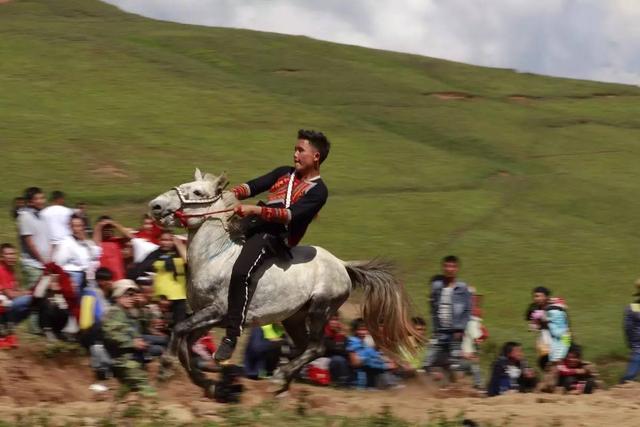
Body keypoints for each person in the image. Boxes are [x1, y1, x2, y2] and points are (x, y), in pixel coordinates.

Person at [215, 129, 331, 362]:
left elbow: (289, 215)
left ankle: (230, 336)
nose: (295, 154)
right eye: (294, 149)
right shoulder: (282, 173)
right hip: (254, 223)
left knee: (240, 271)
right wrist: (225, 192)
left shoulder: (319, 191)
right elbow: (252, 187)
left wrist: (254, 209)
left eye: (301, 150)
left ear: (316, 157)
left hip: (276, 236)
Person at [102, 280, 156, 397]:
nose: (132, 298)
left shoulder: (129, 313)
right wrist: (132, 343)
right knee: (144, 386)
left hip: (133, 357)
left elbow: (145, 325)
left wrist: (141, 305)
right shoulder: (113, 312)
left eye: (133, 295)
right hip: (122, 359)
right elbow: (111, 335)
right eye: (128, 295)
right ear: (118, 296)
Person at [423, 255, 472, 378]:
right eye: (447, 266)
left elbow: (467, 310)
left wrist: (461, 328)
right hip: (439, 330)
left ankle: (457, 385)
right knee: (429, 360)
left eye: (452, 266)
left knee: (453, 363)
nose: (449, 269)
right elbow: (433, 307)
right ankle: (430, 385)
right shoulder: (436, 286)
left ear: (457, 269)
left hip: (455, 332)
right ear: (443, 267)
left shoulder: (462, 288)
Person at [135, 231, 188, 325]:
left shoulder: (180, 252)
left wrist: (179, 244)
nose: (165, 243)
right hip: (160, 298)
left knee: (180, 325)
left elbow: (188, 260)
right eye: (163, 240)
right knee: (160, 325)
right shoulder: (155, 254)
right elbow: (140, 268)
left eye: (168, 240)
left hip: (179, 296)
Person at [53, 214, 101, 292]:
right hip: (73, 276)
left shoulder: (87, 242)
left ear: (83, 227)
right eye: (74, 226)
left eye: (79, 226)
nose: (76, 229)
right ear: (70, 227)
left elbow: (96, 255)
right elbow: (58, 262)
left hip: (87, 277)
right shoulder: (66, 242)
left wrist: (85, 241)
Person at [347, 318, 397, 389]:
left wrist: (387, 362)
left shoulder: (366, 343)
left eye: (364, 329)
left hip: (370, 378)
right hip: (359, 381)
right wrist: (384, 365)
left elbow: (376, 356)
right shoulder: (352, 341)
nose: (362, 332)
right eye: (360, 330)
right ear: (354, 331)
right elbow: (356, 362)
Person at [17, 187, 51, 289]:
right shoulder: (25, 217)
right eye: (38, 199)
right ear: (30, 202)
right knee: (37, 295)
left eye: (43, 198)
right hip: (33, 265)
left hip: (44, 263)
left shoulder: (42, 216)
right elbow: (30, 243)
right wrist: (43, 261)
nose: (42, 201)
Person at [0, 243, 32, 331]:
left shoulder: (11, 270)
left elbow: (16, 289)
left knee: (32, 298)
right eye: (8, 254)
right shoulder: (1, 271)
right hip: (5, 305)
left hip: (9, 304)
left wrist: (27, 291)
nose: (12, 257)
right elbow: (10, 294)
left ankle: (11, 322)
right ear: (1, 257)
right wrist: (27, 293)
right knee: (29, 299)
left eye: (13, 254)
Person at [461, 294, 488, 389]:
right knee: (474, 366)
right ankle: (478, 385)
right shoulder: (472, 323)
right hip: (463, 356)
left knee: (473, 368)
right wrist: (483, 334)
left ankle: (476, 384)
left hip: (464, 354)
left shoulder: (465, 321)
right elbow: (477, 338)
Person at [93, 216, 133, 281]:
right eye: (104, 228)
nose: (107, 230)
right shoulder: (98, 243)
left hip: (119, 277)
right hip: (104, 278)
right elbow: (95, 243)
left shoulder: (117, 241)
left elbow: (131, 237)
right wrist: (99, 225)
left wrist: (115, 224)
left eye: (109, 227)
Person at [525, 286, 552, 369]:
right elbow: (533, 322)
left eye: (538, 296)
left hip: (560, 337)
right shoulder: (533, 307)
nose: (536, 298)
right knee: (545, 362)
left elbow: (564, 327)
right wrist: (534, 325)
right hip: (545, 337)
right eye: (535, 296)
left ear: (546, 297)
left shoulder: (555, 308)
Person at [322, 314, 351, 387]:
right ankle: (339, 382)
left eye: (336, 320)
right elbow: (330, 347)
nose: (334, 322)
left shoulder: (341, 334)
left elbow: (344, 347)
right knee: (338, 359)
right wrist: (341, 347)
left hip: (338, 358)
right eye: (332, 319)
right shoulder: (323, 332)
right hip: (325, 359)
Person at [621, 278, 640, 383]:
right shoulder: (632, 308)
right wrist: (633, 344)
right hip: (638, 347)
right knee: (630, 376)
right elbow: (628, 328)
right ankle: (622, 387)